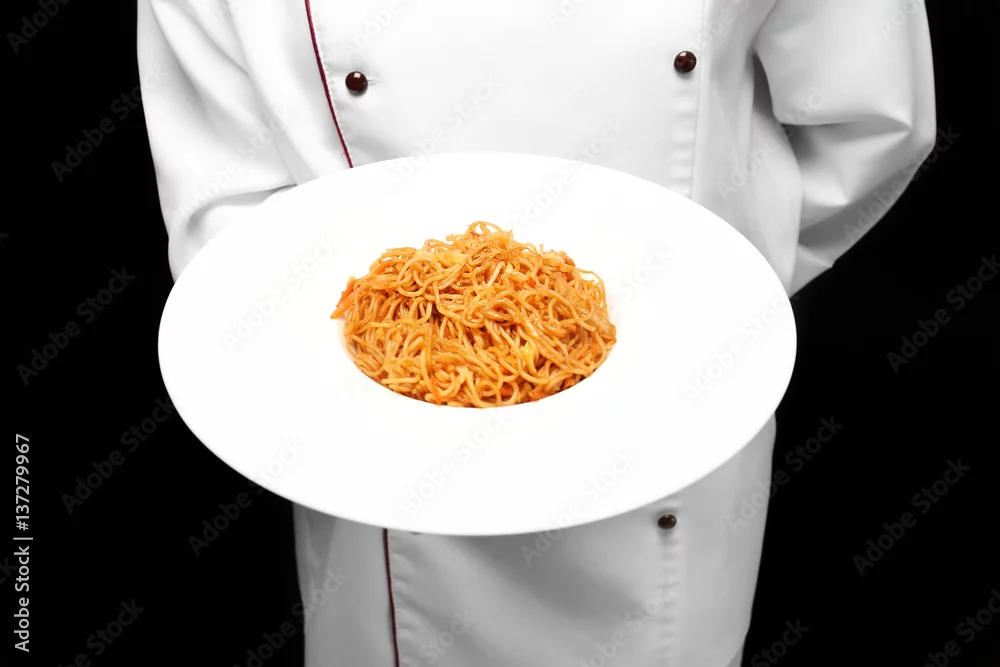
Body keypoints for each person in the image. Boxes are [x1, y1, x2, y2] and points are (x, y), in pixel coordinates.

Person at [138, 1, 935, 665]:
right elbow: (231, 228)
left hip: (673, 459)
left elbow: (872, 116)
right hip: (378, 488)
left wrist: (711, 304)